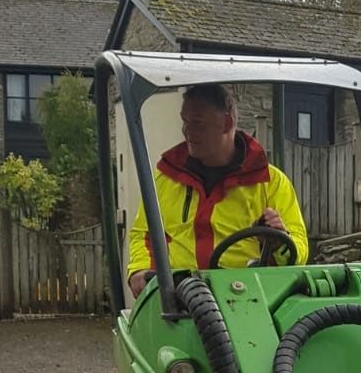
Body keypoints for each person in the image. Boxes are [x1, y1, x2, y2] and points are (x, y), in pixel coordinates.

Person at [127, 82, 308, 296]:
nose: (187, 131)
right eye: (185, 121)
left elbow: (299, 251)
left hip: (250, 300)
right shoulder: (166, 177)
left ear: (226, 122)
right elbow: (144, 234)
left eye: (198, 123)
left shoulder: (271, 183)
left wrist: (280, 241)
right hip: (180, 303)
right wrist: (140, 269)